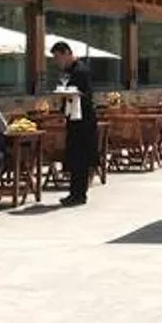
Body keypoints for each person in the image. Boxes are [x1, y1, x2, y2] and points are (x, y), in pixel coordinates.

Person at [51, 39, 100, 205]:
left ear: (67, 54)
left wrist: (71, 94)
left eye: (58, 58)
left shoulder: (81, 71)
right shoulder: (69, 72)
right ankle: (74, 192)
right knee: (73, 157)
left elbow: (86, 96)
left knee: (81, 158)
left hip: (83, 121)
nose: (57, 62)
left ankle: (79, 194)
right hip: (73, 119)